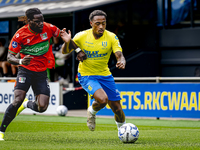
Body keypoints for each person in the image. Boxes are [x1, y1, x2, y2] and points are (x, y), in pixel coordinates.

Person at [0, 8, 63, 141]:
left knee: (42, 107)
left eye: (42, 20)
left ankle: (27, 104)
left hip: (41, 73)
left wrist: (76, 47)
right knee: (17, 100)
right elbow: (9, 57)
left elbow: (61, 34)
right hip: (25, 70)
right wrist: (21, 60)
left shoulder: (48, 28)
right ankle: (1, 131)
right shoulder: (20, 35)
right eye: (37, 21)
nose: (41, 23)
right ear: (29, 21)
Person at [61, 10, 126, 131]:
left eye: (103, 23)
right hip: (87, 75)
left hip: (105, 75)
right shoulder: (81, 36)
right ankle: (91, 111)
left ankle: (123, 132)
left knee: (117, 109)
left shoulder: (111, 37)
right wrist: (67, 42)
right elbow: (64, 51)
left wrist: (121, 60)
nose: (101, 26)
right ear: (91, 23)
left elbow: (119, 54)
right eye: (97, 23)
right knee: (102, 100)